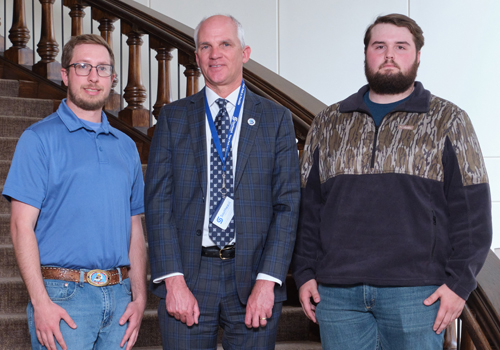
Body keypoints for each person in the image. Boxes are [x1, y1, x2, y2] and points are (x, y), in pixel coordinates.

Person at [292, 13, 492, 350]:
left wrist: (459, 285)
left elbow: (473, 213)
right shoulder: (329, 121)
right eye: (379, 46)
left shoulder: (449, 120)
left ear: (416, 56)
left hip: (417, 295)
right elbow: (308, 208)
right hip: (338, 296)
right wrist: (305, 272)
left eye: (401, 46)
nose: (389, 54)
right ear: (366, 54)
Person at [145, 14, 300, 350]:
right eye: (206, 46)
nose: (215, 54)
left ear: (244, 53)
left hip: (253, 278)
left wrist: (267, 281)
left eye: (225, 44)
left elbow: (287, 206)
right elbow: (158, 203)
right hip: (188, 275)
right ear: (197, 56)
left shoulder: (276, 120)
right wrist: (172, 280)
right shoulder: (172, 118)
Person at [3, 34, 147, 350]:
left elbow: (135, 227)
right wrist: (40, 302)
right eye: (83, 66)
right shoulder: (38, 139)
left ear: (112, 79)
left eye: (103, 68)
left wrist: (139, 298)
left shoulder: (126, 147)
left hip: (120, 297)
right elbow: (20, 225)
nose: (94, 77)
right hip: (64, 296)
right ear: (66, 74)